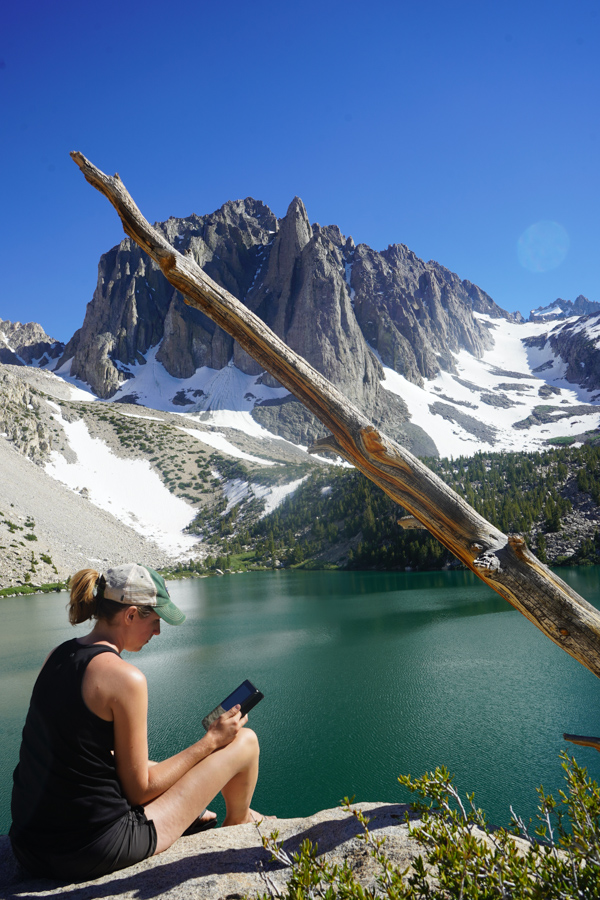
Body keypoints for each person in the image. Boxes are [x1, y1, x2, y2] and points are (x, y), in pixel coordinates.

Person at [10, 563, 267, 881]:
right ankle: (238, 823)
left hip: (29, 846)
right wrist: (211, 741)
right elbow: (139, 791)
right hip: (91, 848)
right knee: (245, 742)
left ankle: (206, 815)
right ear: (130, 615)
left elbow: (84, 755)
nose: (158, 632)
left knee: (146, 764)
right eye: (155, 621)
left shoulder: (58, 655)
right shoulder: (125, 678)